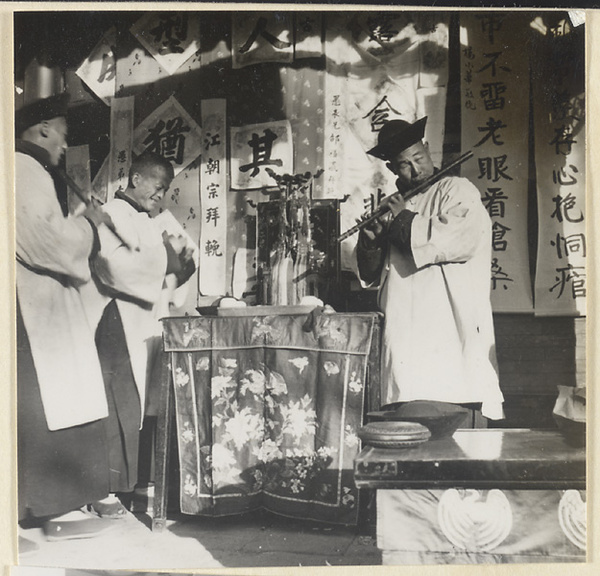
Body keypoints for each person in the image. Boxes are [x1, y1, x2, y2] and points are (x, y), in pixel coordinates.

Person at [16, 92, 116, 547]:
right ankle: (57, 506)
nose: (63, 146)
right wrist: (91, 225)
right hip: (35, 310)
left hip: (38, 305)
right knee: (52, 401)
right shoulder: (23, 170)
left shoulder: (28, 170)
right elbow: (47, 243)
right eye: (61, 136)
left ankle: (51, 502)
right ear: (41, 130)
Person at [356, 117, 504, 425]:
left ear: (427, 148)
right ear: (392, 169)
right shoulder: (393, 205)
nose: (415, 170)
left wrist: (400, 219)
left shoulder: (457, 189)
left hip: (449, 333)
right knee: (407, 425)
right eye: (404, 165)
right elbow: (373, 275)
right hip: (404, 339)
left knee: (454, 428)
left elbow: (453, 240)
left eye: (418, 159)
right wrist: (371, 241)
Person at [83, 151, 196, 514]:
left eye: (165, 191)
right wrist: (166, 254)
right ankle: (111, 488)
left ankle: (136, 484)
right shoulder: (112, 215)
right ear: (135, 179)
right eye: (157, 187)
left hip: (149, 321)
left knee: (146, 405)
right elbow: (112, 267)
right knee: (121, 403)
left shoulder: (151, 220)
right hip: (117, 319)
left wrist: (184, 263)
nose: (160, 197)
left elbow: (170, 275)